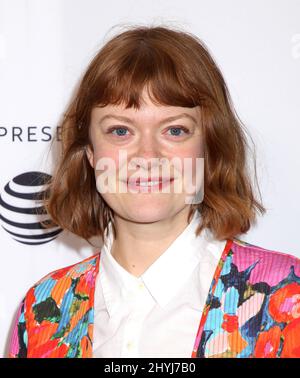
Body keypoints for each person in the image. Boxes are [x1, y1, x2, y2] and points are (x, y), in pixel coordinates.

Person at [8, 24, 300, 359]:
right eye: (120, 130)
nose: (147, 155)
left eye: (175, 130)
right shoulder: (43, 310)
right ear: (89, 152)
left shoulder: (286, 300)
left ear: (209, 147)